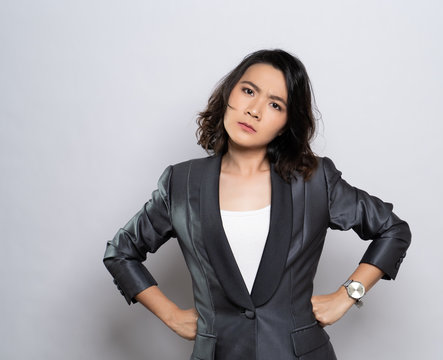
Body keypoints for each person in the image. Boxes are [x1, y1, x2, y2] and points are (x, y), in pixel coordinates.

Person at [103, 49, 411, 360]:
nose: (254, 110)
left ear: (286, 123)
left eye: (275, 104)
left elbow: (393, 230)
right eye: (249, 91)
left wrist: (348, 294)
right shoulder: (180, 183)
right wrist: (170, 314)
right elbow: (121, 252)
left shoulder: (314, 181)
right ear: (229, 93)